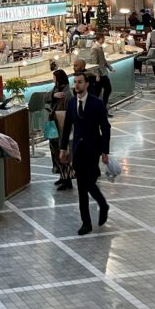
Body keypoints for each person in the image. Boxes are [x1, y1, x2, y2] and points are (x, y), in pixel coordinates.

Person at [58, 69, 111, 236]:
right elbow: (67, 127)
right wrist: (63, 148)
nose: (77, 85)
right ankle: (86, 223)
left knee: (88, 183)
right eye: (75, 82)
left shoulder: (97, 103)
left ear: (87, 84)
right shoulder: (72, 103)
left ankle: (102, 204)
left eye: (80, 82)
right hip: (78, 151)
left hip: (93, 149)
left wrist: (104, 150)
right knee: (81, 187)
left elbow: (105, 128)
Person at [46, 68, 72, 189]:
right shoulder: (56, 90)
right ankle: (62, 176)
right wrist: (53, 95)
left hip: (62, 127)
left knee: (63, 152)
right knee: (55, 150)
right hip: (55, 126)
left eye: (54, 78)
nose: (53, 80)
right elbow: (45, 97)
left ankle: (67, 179)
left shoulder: (67, 93)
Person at [88, 34, 112, 110]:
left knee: (99, 92)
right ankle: (101, 108)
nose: (104, 40)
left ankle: (102, 108)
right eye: (104, 38)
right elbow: (94, 62)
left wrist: (110, 67)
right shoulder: (94, 48)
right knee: (104, 90)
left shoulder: (99, 47)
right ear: (101, 39)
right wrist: (97, 75)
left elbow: (103, 59)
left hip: (102, 73)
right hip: (100, 74)